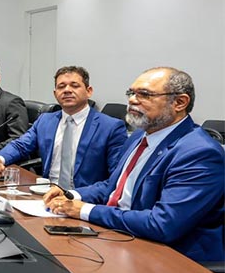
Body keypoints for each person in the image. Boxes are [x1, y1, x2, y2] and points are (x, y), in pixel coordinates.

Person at [44, 67, 224, 263]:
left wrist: (84, 210)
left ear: (180, 102)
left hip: (171, 259)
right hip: (119, 237)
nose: (132, 100)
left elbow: (162, 224)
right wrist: (71, 195)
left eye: (144, 94)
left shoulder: (200, 153)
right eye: (131, 93)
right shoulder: (139, 135)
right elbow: (113, 187)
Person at [0, 66, 127, 190]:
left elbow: (116, 178)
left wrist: (77, 197)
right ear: (55, 94)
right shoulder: (46, 120)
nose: (67, 90)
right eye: (61, 86)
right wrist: (0, 158)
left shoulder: (111, 127)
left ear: (89, 91)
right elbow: (21, 145)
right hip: (46, 193)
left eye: (74, 86)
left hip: (83, 199)